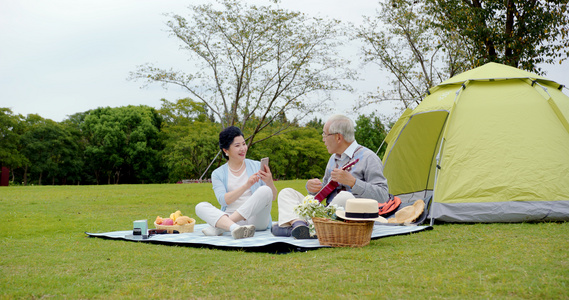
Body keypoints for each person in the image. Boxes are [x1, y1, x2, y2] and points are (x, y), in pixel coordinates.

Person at [272, 114, 389, 238]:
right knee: (286, 192)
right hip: (326, 213)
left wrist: (353, 183)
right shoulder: (333, 159)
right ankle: (299, 225)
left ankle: (304, 227)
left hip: (352, 217)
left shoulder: (368, 158)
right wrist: (312, 189)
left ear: (338, 137)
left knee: (345, 196)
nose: (323, 139)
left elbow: (383, 196)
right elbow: (324, 193)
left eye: (325, 134)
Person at [195, 126, 277, 239]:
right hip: (229, 215)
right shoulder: (218, 173)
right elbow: (224, 200)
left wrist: (269, 181)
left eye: (244, 144)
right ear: (226, 150)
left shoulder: (256, 165)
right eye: (237, 146)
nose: (243, 148)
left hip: (256, 219)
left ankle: (220, 227)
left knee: (265, 190)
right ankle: (234, 228)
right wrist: (246, 185)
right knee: (200, 206)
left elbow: (272, 197)